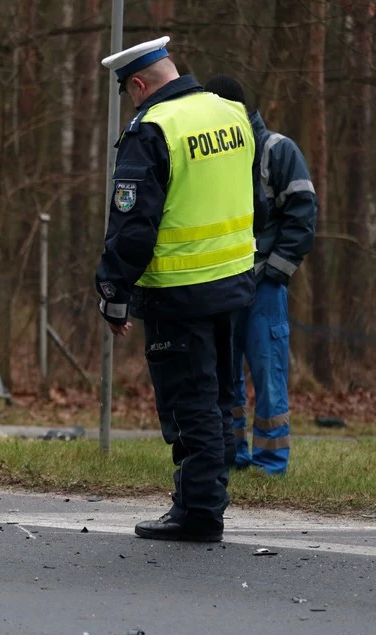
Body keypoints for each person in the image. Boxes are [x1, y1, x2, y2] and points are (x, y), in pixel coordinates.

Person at [96, 37, 263, 542]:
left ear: (140, 84)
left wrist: (112, 289)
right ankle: (207, 500)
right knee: (220, 399)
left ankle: (199, 511)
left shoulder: (152, 128)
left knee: (190, 405)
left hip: (180, 289)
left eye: (130, 92)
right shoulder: (232, 113)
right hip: (234, 282)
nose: (133, 101)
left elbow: (134, 225)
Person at [205, 74, 318, 476]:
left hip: (263, 286)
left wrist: (274, 273)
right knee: (225, 372)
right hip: (225, 283)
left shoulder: (277, 150)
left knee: (268, 373)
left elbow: (303, 215)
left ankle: (271, 462)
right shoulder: (217, 156)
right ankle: (232, 453)